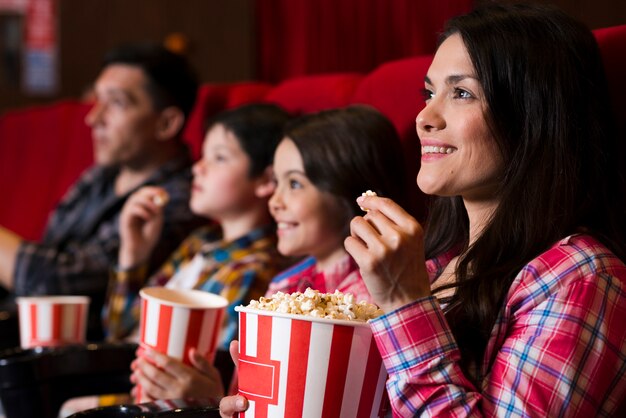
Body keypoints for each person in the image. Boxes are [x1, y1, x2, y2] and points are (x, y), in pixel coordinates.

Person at [221, 3, 626, 417]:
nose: (424, 117)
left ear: (534, 115)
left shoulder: (579, 276)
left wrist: (404, 302)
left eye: (462, 93)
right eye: (429, 93)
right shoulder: (435, 263)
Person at [131, 105, 408, 402]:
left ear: (351, 193)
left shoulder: (376, 299)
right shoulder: (284, 286)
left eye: (295, 184)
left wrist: (209, 401)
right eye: (277, 182)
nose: (275, 201)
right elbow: (248, 400)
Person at [0, 43, 204, 340]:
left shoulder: (177, 200)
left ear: (166, 123)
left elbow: (53, 286)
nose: (93, 118)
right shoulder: (102, 176)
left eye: (117, 103)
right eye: (97, 100)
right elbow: (49, 251)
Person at [103, 103, 292, 347]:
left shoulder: (254, 269)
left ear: (266, 180)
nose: (198, 167)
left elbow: (216, 364)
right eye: (203, 156)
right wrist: (133, 253)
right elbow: (117, 331)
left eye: (219, 158)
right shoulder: (200, 241)